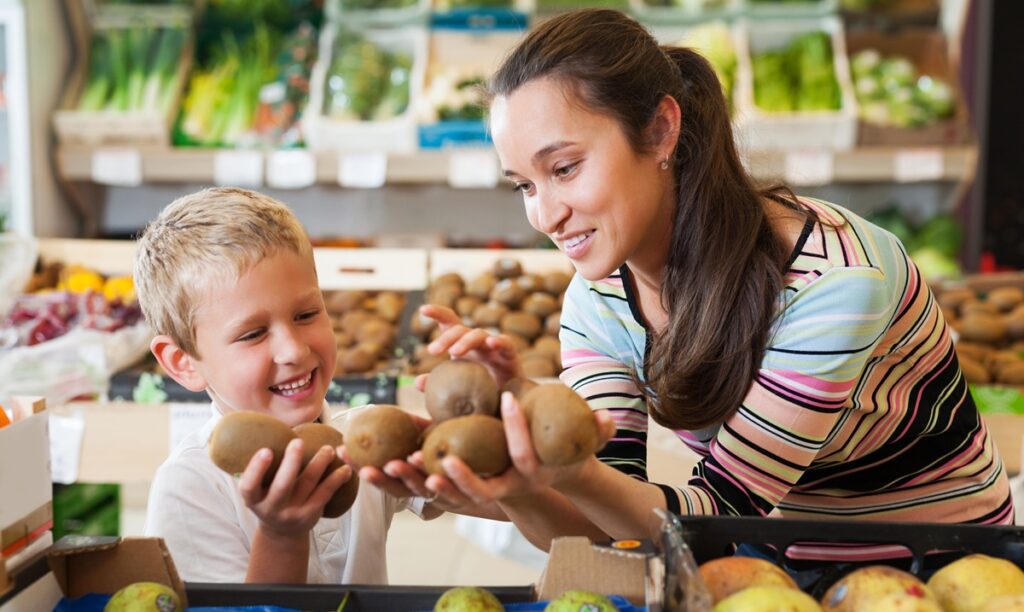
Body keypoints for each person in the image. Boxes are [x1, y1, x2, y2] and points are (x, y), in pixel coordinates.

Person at [349, 8, 1013, 564]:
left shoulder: (832, 285)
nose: (545, 216)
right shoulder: (599, 298)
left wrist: (569, 471)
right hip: (769, 563)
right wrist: (514, 460)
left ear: (661, 130)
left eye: (565, 168)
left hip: (940, 565)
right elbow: (617, 530)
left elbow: (712, 519)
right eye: (524, 185)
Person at [136, 187, 438, 584]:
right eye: (253, 334)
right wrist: (281, 535)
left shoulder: (365, 437)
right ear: (183, 363)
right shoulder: (191, 486)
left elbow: (492, 497)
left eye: (306, 314)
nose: (294, 350)